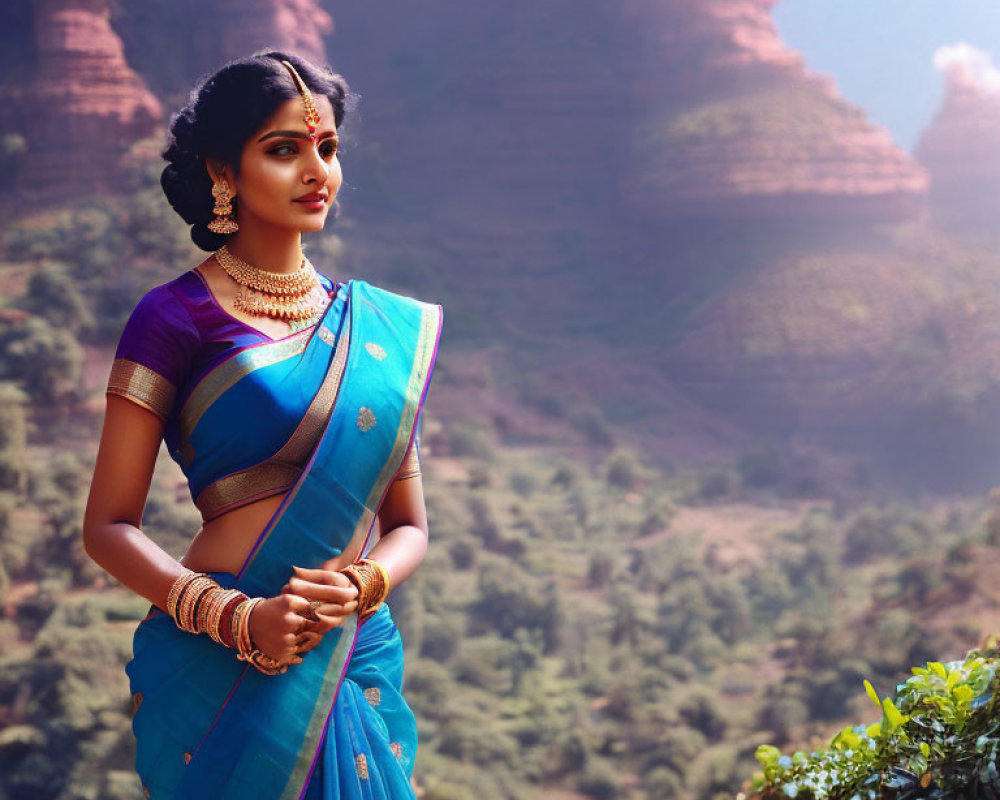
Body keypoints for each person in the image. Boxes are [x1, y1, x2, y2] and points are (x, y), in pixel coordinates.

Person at [82, 49, 442, 800]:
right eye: (284, 150)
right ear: (222, 171)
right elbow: (108, 526)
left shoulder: (373, 332)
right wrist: (237, 621)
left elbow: (409, 525)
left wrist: (363, 584)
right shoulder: (173, 317)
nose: (317, 170)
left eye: (328, 147)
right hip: (224, 656)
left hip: (344, 652)